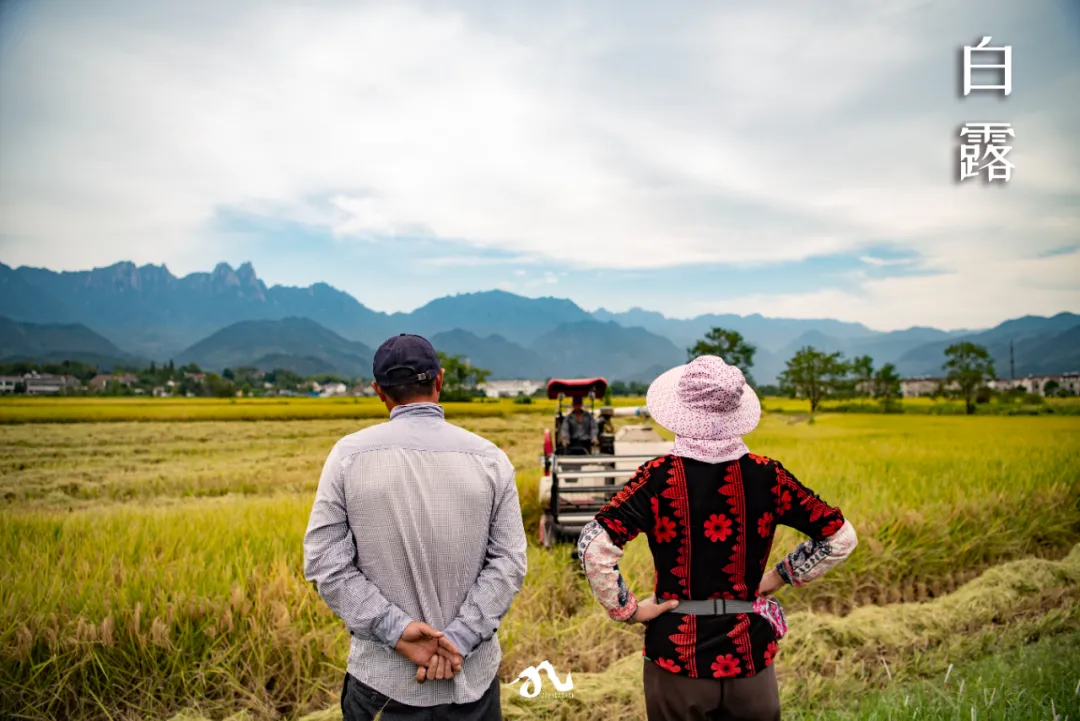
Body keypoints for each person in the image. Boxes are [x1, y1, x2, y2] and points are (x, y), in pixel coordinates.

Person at [577, 356, 858, 721]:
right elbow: (840, 537)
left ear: (680, 413)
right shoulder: (767, 476)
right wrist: (777, 578)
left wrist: (628, 610)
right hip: (749, 659)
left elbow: (595, 545)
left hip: (677, 657)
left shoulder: (658, 478)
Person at [304, 333, 528, 721]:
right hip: (471, 683)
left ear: (379, 391)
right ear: (439, 380)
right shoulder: (490, 459)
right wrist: (457, 640)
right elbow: (509, 563)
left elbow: (325, 563)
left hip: (383, 686)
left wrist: (398, 631)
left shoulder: (347, 457)